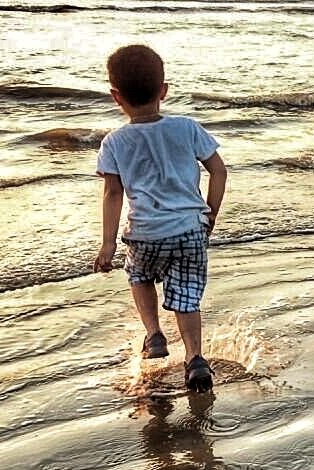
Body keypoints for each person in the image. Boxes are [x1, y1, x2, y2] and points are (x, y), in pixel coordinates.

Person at [92, 44, 228, 392]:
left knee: (139, 276)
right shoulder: (186, 127)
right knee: (186, 295)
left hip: (144, 233)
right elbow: (218, 170)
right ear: (163, 91)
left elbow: (113, 193)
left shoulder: (114, 141)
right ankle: (195, 359)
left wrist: (108, 244)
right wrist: (210, 212)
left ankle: (154, 335)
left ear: (115, 96)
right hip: (188, 231)